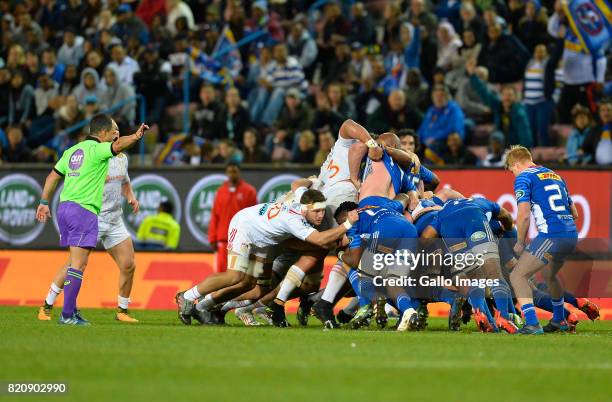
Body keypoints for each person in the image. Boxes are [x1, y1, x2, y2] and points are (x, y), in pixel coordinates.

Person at [174, 188, 359, 325]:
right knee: (234, 276)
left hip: (263, 242)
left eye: (322, 210)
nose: (320, 215)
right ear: (305, 209)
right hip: (245, 229)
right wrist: (348, 224)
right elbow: (318, 239)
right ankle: (187, 296)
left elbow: (300, 186)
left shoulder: (301, 203)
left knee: (255, 288)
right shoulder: (294, 220)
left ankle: (204, 306)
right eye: (316, 211)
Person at [35, 114, 148, 325]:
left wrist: (43, 202)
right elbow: (118, 145)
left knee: (126, 263)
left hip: (83, 211)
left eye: (118, 130)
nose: (116, 133)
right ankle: (59, 310)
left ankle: (107, 310)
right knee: (76, 264)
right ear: (103, 133)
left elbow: (52, 176)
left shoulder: (72, 151)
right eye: (113, 129)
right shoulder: (99, 150)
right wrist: (135, 136)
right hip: (87, 211)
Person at [506, 146, 578, 334]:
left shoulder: (524, 177)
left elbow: (523, 215)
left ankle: (531, 323)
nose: (513, 175)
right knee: (549, 274)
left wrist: (520, 242)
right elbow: (575, 213)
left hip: (552, 235)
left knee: (517, 275)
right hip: (571, 234)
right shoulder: (554, 175)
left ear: (516, 164)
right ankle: (559, 319)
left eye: (511, 170)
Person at [208, 163, 257, 273]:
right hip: (223, 239)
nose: (232, 174)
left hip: (242, 239)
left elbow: (254, 217)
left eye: (234, 171)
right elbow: (215, 215)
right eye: (229, 172)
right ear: (226, 173)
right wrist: (212, 237)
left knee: (239, 273)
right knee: (221, 273)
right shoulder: (220, 191)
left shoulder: (249, 191)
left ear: (239, 173)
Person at [417, 84, 465, 151]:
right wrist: (416, 139)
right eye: (436, 96)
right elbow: (423, 128)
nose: (438, 98)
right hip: (427, 142)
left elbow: (453, 128)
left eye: (441, 96)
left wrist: (434, 138)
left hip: (445, 141)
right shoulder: (431, 110)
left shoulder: (454, 109)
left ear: (447, 97)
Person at [581, 99, 612, 166]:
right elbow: (585, 147)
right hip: (597, 169)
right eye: (603, 110)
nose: (606, 113)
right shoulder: (594, 130)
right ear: (599, 113)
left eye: (608, 110)